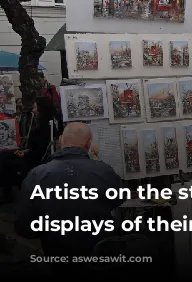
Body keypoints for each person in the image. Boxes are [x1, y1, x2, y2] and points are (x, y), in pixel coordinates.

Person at [14, 122, 124, 278]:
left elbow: (24, 225)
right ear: (89, 144)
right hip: (98, 251)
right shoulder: (104, 171)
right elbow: (120, 198)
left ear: (60, 140)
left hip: (57, 253)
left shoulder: (36, 175)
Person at [0, 96, 57, 203]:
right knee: (4, 156)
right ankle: (7, 193)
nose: (33, 110)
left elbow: (40, 152)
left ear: (41, 110)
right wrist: (25, 151)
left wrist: (25, 154)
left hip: (33, 160)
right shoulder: (47, 124)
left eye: (35, 108)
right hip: (31, 155)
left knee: (4, 160)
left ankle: (8, 193)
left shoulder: (44, 127)